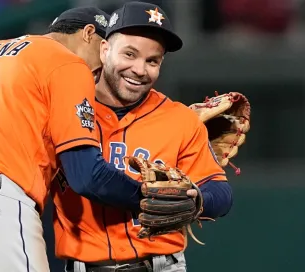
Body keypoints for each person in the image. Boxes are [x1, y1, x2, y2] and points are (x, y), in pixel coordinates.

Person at [0, 7, 148, 272]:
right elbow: (86, 175)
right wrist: (145, 197)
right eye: (104, 49)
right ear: (89, 33)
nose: (103, 68)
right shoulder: (68, 62)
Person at [51, 2, 233, 272]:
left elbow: (221, 192)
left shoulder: (178, 118)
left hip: (160, 265)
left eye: (152, 61)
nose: (139, 69)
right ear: (104, 50)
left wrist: (197, 199)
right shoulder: (66, 109)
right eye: (130, 54)